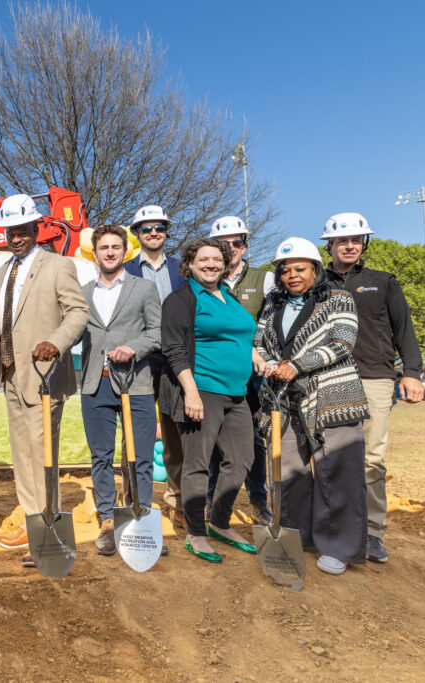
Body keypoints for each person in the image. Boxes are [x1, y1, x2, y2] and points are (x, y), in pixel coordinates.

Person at [255, 237, 369, 574]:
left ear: (315, 270)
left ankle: (338, 546)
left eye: (300, 269)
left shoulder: (338, 299)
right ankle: (298, 535)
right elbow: (259, 341)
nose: (292, 275)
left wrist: (298, 364)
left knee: (337, 471)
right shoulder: (273, 303)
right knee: (290, 470)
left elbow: (343, 341)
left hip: (331, 397)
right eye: (286, 270)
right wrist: (267, 362)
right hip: (284, 399)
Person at [0, 194, 89, 567]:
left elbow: (77, 314)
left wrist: (57, 342)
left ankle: (49, 526)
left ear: (36, 228)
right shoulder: (3, 273)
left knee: (42, 454)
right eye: (9, 232)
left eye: (21, 230)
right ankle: (34, 521)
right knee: (22, 454)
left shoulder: (58, 265)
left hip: (45, 375)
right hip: (11, 374)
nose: (15, 237)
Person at [321, 212, 424, 564]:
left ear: (364, 244)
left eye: (356, 240)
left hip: (376, 376)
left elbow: (403, 329)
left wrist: (412, 371)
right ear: (329, 245)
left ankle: (373, 531)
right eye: (342, 241)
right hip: (328, 378)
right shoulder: (316, 282)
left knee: (371, 459)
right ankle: (332, 525)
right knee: (328, 456)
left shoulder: (383, 282)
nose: (350, 246)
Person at [160, 238, 264, 563]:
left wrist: (253, 353)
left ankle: (219, 522)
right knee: (198, 464)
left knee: (242, 459)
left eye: (217, 259)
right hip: (202, 391)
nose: (211, 264)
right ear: (190, 264)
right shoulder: (183, 298)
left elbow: (239, 333)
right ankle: (196, 533)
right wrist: (190, 392)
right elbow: (174, 348)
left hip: (237, 393)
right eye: (203, 259)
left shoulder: (228, 297)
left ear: (225, 263)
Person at [80, 225, 161, 556]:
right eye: (104, 248)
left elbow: (157, 332)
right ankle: (108, 521)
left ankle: (140, 518)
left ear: (125, 252)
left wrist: (133, 347)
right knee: (101, 457)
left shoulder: (144, 289)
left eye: (116, 247)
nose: (110, 252)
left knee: (140, 458)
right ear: (95, 253)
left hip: (136, 383)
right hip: (94, 384)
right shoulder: (83, 292)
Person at [205, 215, 276, 525]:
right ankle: (213, 499)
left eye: (235, 243)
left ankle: (259, 500)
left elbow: (271, 322)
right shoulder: (206, 281)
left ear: (244, 247)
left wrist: (255, 350)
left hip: (253, 375)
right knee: (213, 438)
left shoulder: (265, 279)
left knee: (255, 440)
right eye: (222, 244)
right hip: (216, 373)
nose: (229, 248)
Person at [123, 204, 188, 529]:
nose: (153, 233)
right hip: (140, 360)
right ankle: (133, 500)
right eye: (146, 229)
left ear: (165, 232)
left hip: (176, 360)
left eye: (158, 228)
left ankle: (177, 500)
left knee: (176, 431)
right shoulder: (126, 270)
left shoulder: (181, 270)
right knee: (137, 433)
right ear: (137, 234)